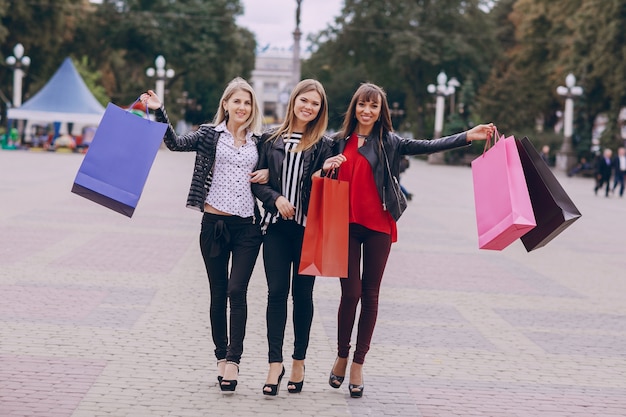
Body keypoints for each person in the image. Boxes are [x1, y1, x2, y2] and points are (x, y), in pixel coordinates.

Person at [325, 82, 495, 398]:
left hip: (379, 225)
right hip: (345, 227)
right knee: (350, 293)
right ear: (354, 107)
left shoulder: (389, 141)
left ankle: (359, 364)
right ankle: (341, 355)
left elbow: (428, 145)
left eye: (373, 106)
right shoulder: (336, 142)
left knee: (370, 294)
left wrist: (467, 136)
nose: (367, 110)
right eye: (362, 104)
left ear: (380, 112)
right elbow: (310, 162)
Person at [140, 77, 268, 393]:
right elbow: (175, 143)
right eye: (237, 101)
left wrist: (269, 173)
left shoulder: (260, 142)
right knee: (217, 292)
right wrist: (159, 112)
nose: (242, 107)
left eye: (248, 102)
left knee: (237, 292)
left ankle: (235, 361)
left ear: (253, 109)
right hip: (213, 226)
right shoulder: (210, 135)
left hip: (248, 228)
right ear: (225, 104)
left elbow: (277, 170)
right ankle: (221, 356)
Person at [251, 79, 335, 396]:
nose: (308, 107)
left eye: (315, 103)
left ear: (320, 109)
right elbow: (257, 182)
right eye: (304, 100)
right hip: (275, 228)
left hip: (308, 230)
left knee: (302, 296)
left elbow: (331, 187)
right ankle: (275, 364)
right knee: (276, 293)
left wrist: (323, 173)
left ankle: (298, 361)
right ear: (294, 101)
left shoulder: (325, 146)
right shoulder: (269, 139)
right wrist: (275, 198)